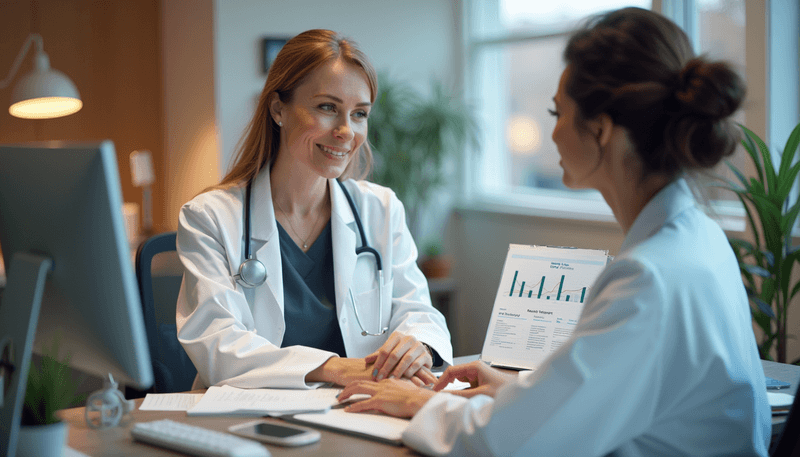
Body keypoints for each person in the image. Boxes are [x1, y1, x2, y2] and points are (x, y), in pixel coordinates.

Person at [338, 8, 771, 456]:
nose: (554, 132)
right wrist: (516, 393)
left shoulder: (648, 280)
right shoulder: (697, 238)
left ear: (600, 130)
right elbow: (609, 398)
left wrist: (422, 403)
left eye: (558, 112)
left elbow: (508, 444)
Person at [176, 29, 453, 390]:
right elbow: (217, 344)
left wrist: (417, 343)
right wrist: (334, 368)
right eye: (327, 108)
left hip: (357, 410)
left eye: (359, 114)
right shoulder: (210, 217)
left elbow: (418, 311)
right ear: (278, 109)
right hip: (251, 419)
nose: (345, 131)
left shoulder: (380, 210)